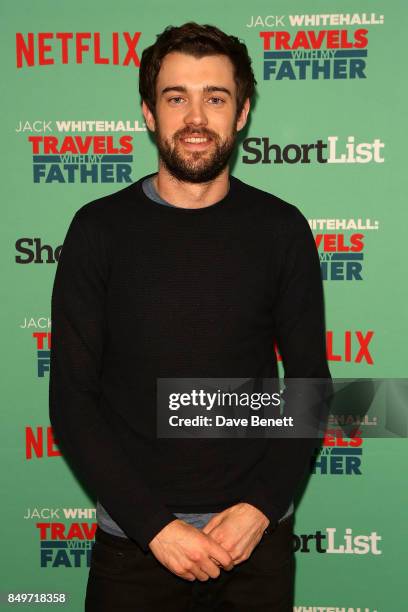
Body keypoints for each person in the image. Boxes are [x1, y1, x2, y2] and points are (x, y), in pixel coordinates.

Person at [49, 22, 331, 611]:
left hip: (254, 543)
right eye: (177, 97)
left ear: (243, 112)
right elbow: (73, 400)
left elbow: (310, 386)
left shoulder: (281, 230)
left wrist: (257, 508)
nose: (196, 118)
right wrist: (156, 527)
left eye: (216, 98)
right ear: (150, 113)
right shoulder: (97, 231)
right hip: (135, 547)